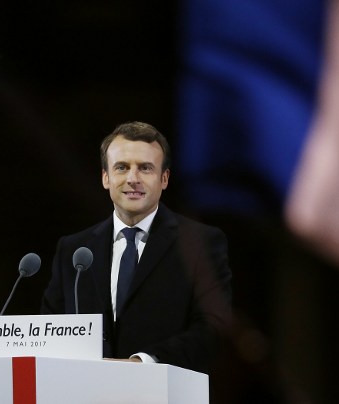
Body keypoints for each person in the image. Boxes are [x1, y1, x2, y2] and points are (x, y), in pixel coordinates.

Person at [41, 121, 232, 374]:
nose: (133, 179)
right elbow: (50, 329)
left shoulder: (200, 243)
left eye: (145, 168)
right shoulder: (74, 250)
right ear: (105, 178)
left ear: (164, 179)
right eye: (122, 167)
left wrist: (143, 363)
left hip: (165, 393)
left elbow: (213, 328)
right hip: (85, 392)